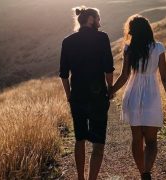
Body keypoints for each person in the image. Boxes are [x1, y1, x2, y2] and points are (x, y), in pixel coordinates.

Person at [109, 15, 166, 180]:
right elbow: (165, 77)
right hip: (151, 96)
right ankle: (147, 171)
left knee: (137, 138)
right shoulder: (158, 47)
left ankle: (142, 172)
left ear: (132, 31)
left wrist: (111, 90)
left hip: (132, 95)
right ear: (148, 29)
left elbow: (124, 76)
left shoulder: (129, 48)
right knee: (152, 140)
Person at [59, 6, 114, 180]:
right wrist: (110, 88)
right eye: (98, 18)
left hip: (78, 97)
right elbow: (108, 69)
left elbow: (63, 74)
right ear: (90, 19)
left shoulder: (67, 41)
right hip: (98, 96)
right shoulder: (102, 38)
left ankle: (80, 178)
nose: (100, 22)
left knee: (79, 139)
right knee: (98, 143)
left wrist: (69, 95)